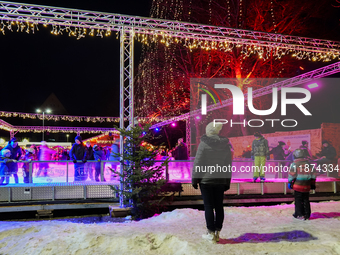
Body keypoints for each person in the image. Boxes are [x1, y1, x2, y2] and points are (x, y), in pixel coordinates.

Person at [192, 122, 232, 243]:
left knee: (208, 206)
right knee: (219, 206)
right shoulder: (226, 145)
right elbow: (228, 165)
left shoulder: (203, 144)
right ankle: (217, 232)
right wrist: (227, 182)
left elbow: (198, 162)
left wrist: (195, 178)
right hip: (220, 180)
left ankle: (210, 233)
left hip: (206, 180)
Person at [288, 149, 316, 220]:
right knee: (306, 200)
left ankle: (299, 214)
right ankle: (307, 214)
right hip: (306, 185)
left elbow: (292, 175)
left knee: (298, 200)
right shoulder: (308, 164)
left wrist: (290, 182)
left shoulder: (294, 164)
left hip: (298, 185)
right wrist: (312, 183)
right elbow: (313, 175)